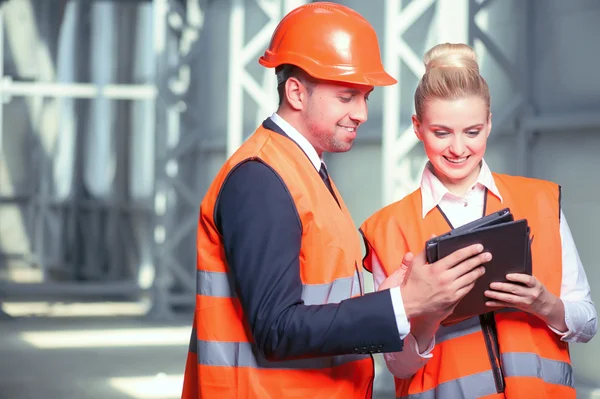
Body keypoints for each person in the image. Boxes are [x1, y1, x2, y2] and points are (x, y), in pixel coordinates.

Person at [180, 4, 493, 399]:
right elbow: (277, 328)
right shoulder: (260, 178)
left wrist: (384, 300)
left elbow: (316, 300)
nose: (361, 113)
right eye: (347, 96)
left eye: (365, 97)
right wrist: (401, 304)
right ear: (296, 91)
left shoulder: (305, 171)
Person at [360, 43, 598, 399]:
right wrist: (428, 316)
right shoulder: (388, 228)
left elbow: (587, 322)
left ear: (488, 124)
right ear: (417, 127)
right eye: (442, 132)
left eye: (472, 131)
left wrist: (543, 304)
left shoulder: (541, 200)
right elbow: (397, 365)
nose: (458, 148)